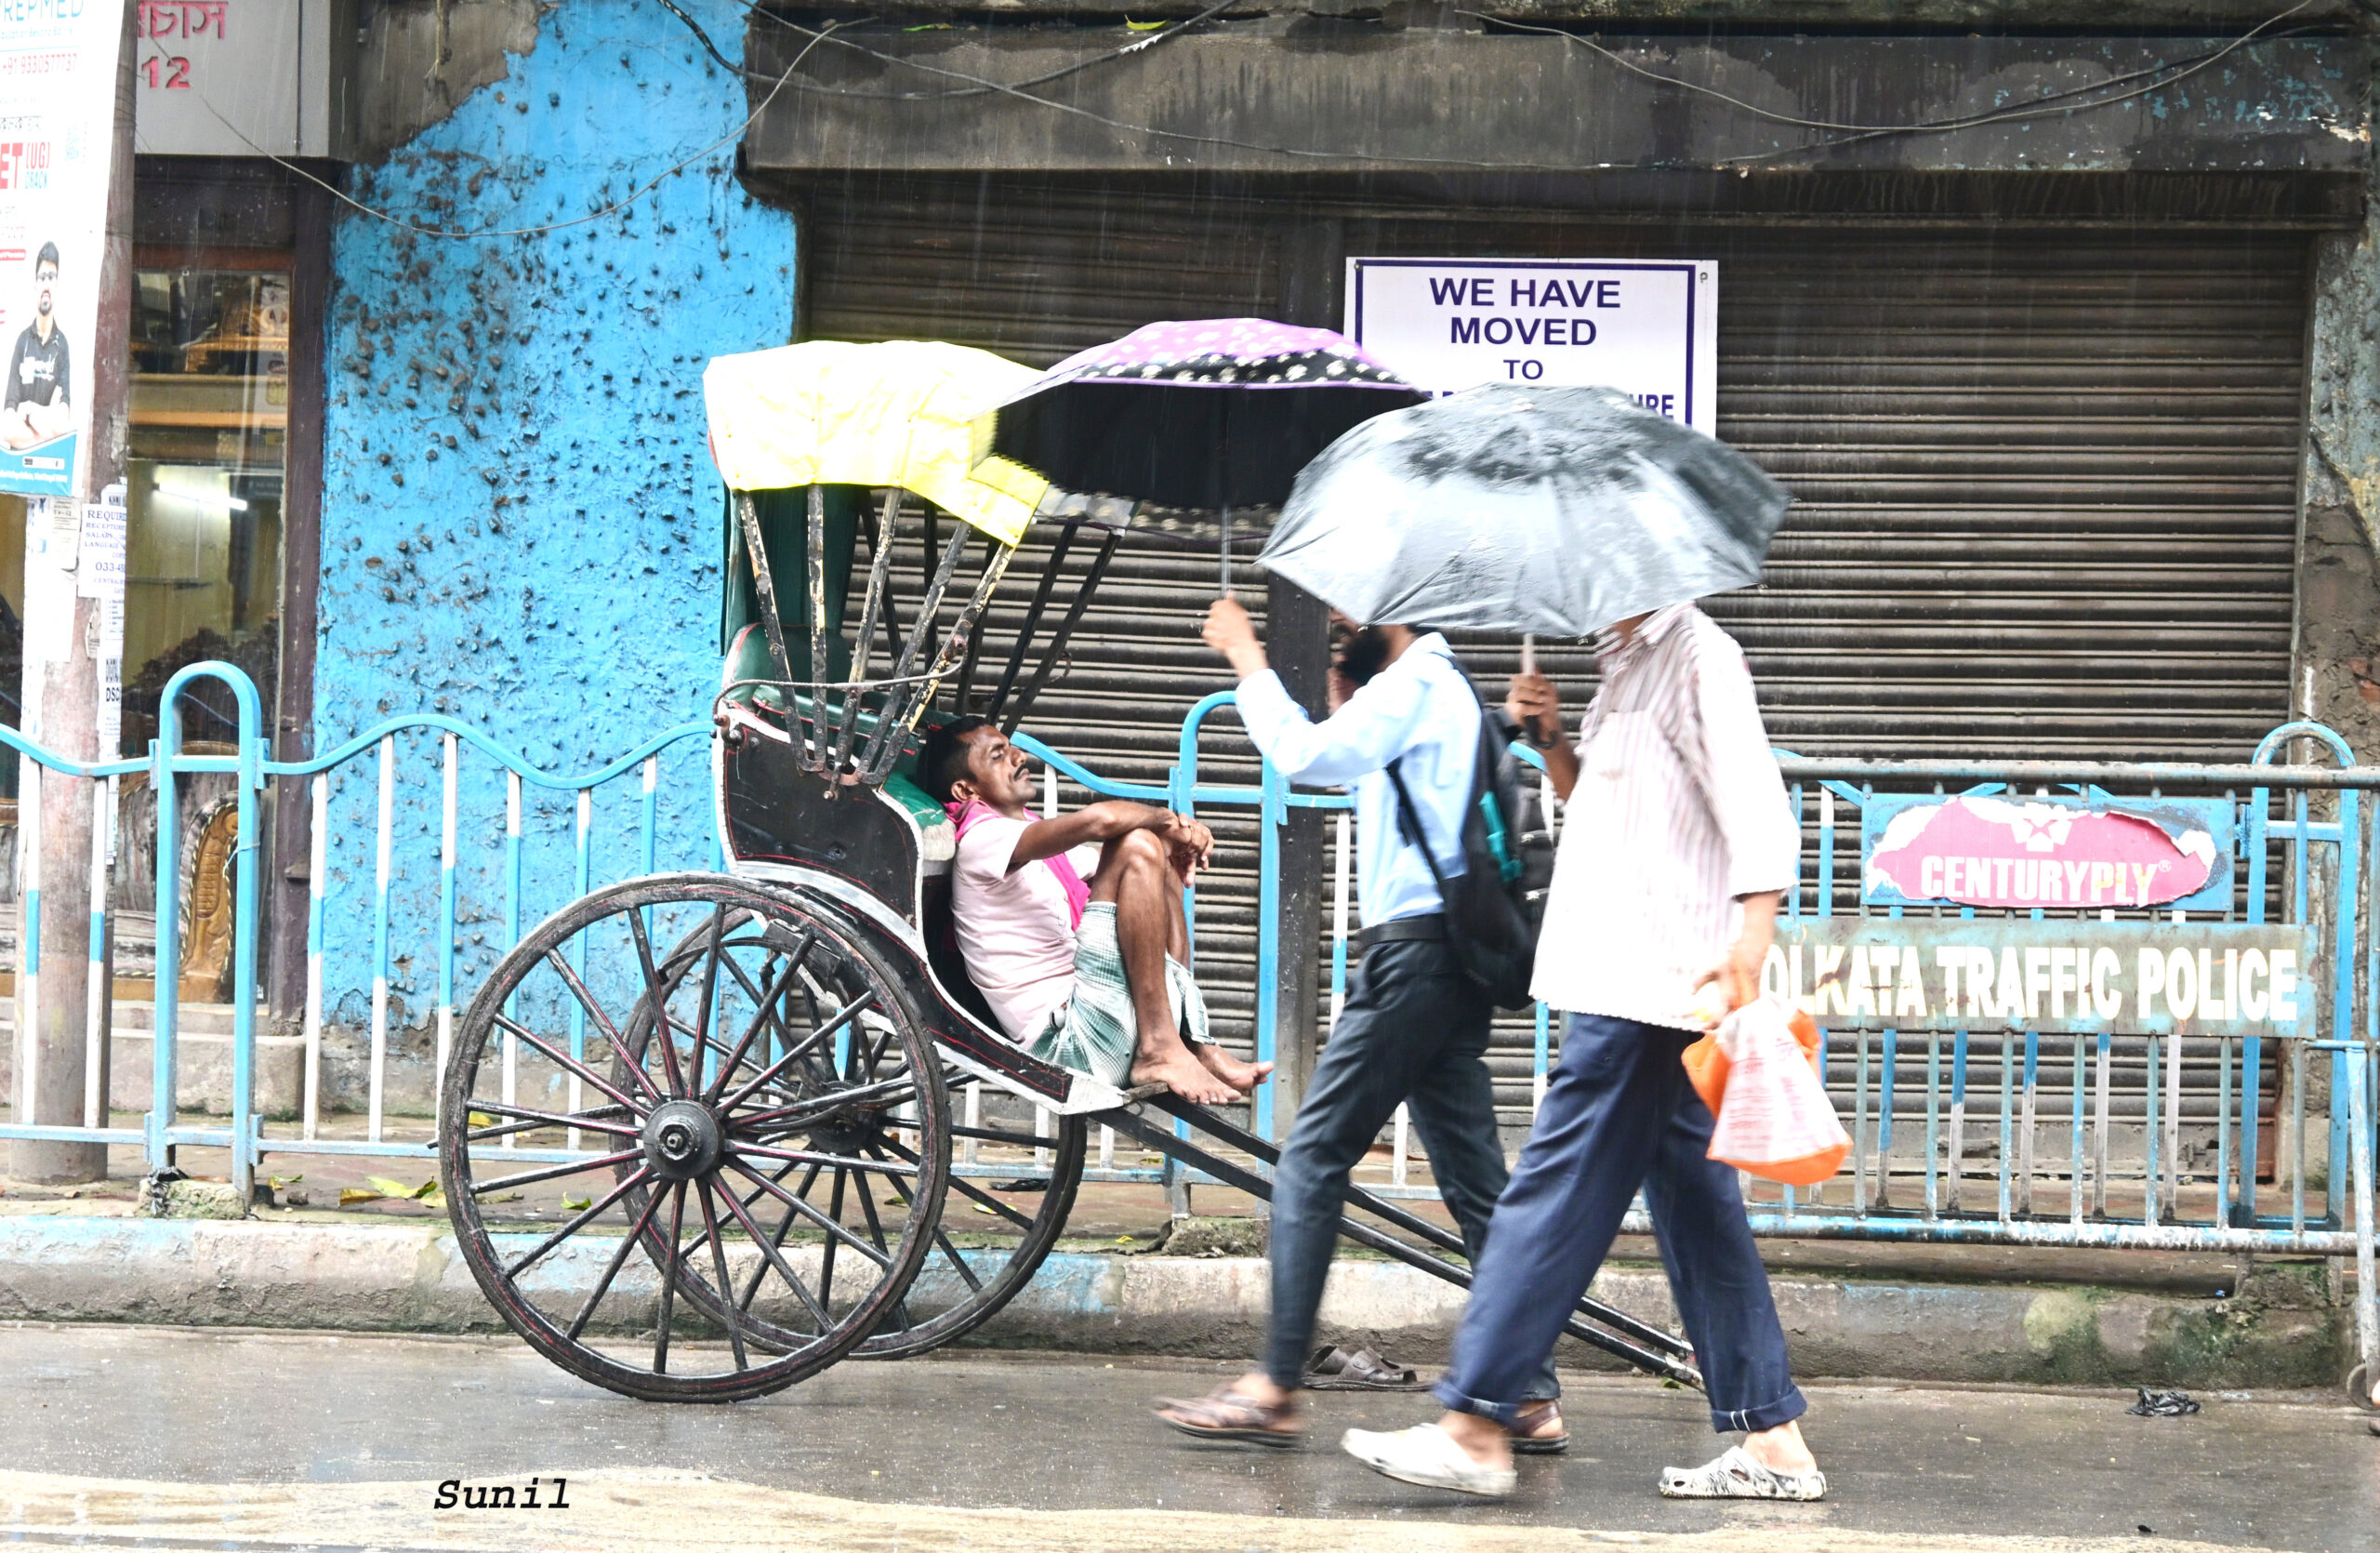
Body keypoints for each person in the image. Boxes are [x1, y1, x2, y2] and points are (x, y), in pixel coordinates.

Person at [1340, 601, 1823, 1501]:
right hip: (1627, 971)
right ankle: (1773, 1437)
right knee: (1697, 1209)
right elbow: (1604, 807)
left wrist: (1751, 945)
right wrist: (1555, 740)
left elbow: (1757, 807)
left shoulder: (1696, 655)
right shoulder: (1624, 660)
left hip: (1649, 981)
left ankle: (1476, 1423)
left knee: (1552, 1189)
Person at [1151, 599, 1563, 1450]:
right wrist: (1346, 687)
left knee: (1312, 1156)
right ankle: (1525, 1392)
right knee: (1476, 1183)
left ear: (1396, 602)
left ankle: (1274, 1383)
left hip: (1413, 961)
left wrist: (1245, 655)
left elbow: (1304, 756)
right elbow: (1364, 768)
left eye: (1352, 608)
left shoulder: (1420, 680)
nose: (1339, 614)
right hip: (1447, 959)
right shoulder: (1437, 685)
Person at [920, 713, 1269, 1106]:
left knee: (1158, 852)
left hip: (1100, 1013)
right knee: (1139, 845)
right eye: (998, 756)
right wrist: (1167, 822)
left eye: (1011, 748)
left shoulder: (1029, 837)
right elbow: (1103, 820)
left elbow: (1126, 851)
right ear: (966, 789)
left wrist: (1177, 841)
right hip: (1068, 1043)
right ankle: (1160, 1046)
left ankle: (1189, 1040)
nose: (1019, 757)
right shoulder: (982, 839)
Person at [3, 243, 70, 451]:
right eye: (42, 278)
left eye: (51, 277)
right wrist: (48, 429)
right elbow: (8, 427)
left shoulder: (61, 345)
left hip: (51, 468)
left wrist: (31, 412)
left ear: (57, 283)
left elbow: (63, 424)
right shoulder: (23, 341)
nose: (46, 284)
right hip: (18, 466)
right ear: (35, 285)